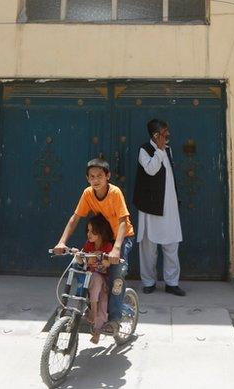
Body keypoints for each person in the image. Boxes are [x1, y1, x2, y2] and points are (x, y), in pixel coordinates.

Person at [53, 158, 135, 333]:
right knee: (79, 266)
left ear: (108, 176)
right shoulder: (88, 194)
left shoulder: (115, 193)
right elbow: (75, 218)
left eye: (99, 175)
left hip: (122, 239)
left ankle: (114, 320)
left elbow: (122, 221)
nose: (95, 180)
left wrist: (117, 248)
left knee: (116, 277)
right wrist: (62, 242)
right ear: (87, 178)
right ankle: (91, 306)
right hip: (104, 240)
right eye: (92, 176)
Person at [133, 119, 186, 296]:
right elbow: (151, 169)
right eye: (164, 133)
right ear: (156, 135)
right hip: (150, 207)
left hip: (169, 208)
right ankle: (149, 282)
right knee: (149, 247)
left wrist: (163, 150)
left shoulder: (168, 150)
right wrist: (159, 151)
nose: (168, 136)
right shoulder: (144, 150)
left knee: (171, 245)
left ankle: (172, 282)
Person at [76, 214, 114, 343]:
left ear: (101, 232)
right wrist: (78, 255)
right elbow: (82, 260)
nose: (89, 234)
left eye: (92, 231)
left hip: (103, 282)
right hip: (90, 281)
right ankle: (93, 312)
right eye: (88, 231)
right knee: (94, 281)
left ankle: (96, 326)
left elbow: (109, 263)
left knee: (102, 299)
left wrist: (104, 259)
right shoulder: (88, 245)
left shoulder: (107, 246)